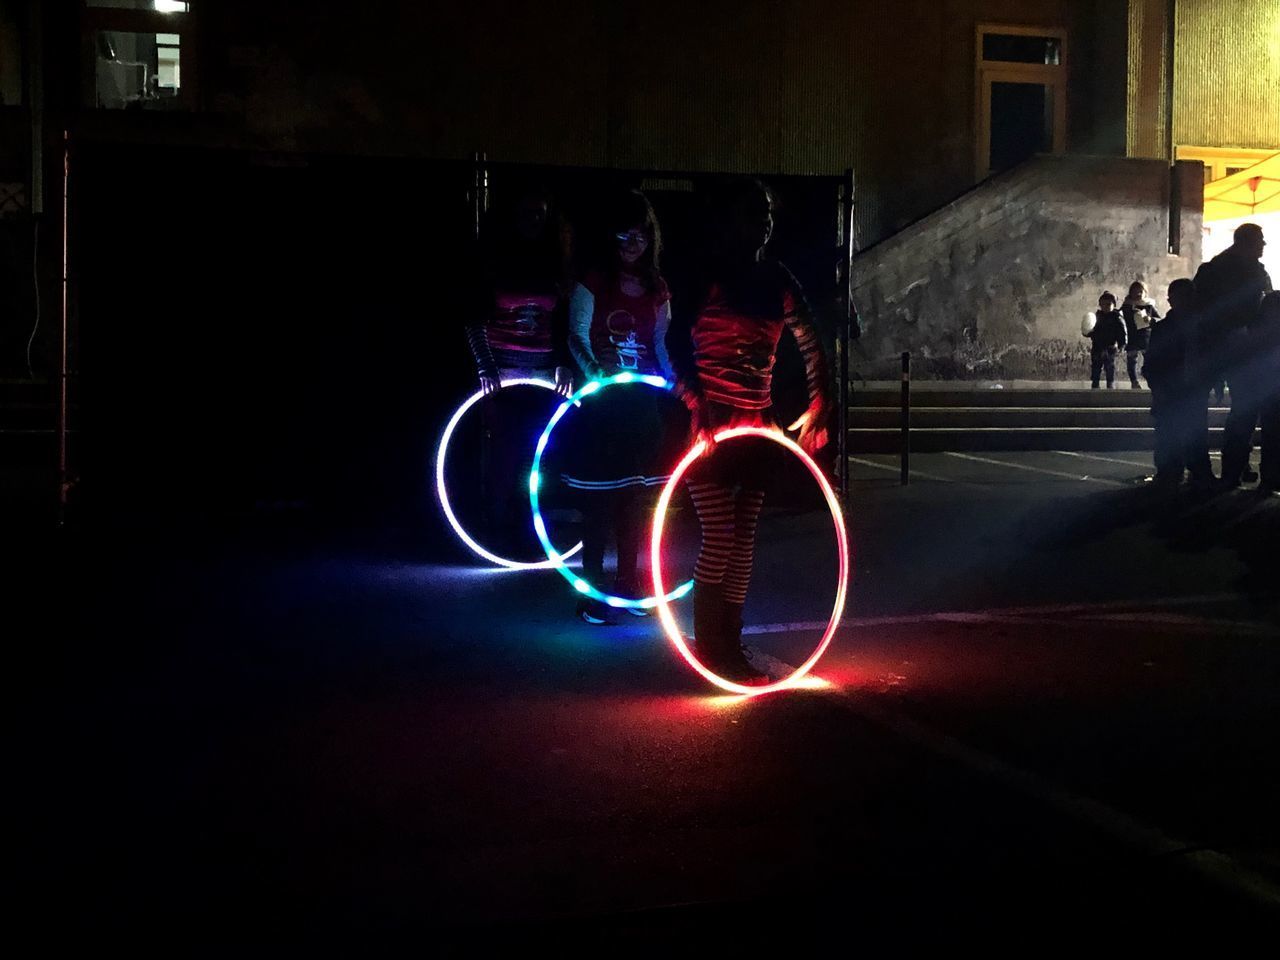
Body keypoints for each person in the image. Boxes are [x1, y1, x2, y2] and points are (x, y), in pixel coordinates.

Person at [669, 179, 832, 685]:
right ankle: (709, 647)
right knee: (720, 535)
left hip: (757, 427)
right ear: (730, 218)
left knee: (744, 539)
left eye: (768, 213)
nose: (763, 221)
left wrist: (821, 400)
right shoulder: (705, 275)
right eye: (753, 211)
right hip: (712, 427)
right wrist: (696, 404)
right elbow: (671, 345)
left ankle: (729, 643)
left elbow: (811, 339)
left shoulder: (777, 279)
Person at [561, 190, 679, 623]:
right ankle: (592, 593)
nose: (632, 243)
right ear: (611, 237)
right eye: (624, 234)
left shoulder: (657, 288)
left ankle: (628, 586)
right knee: (599, 504)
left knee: (634, 501)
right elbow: (577, 335)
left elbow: (660, 344)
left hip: (641, 407)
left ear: (651, 239)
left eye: (641, 235)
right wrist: (596, 375)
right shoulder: (593, 282)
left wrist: (671, 382)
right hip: (602, 406)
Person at [464, 186, 574, 548]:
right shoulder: (494, 262)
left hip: (543, 373)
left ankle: (530, 527)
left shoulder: (555, 263)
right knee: (504, 451)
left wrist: (563, 365)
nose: (533, 221)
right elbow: (474, 318)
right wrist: (486, 368)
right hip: (502, 372)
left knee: (537, 451)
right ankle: (494, 527)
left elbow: (565, 323)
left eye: (540, 214)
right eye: (527, 213)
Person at [1194, 222, 1273, 487]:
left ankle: (1235, 468)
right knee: (1244, 411)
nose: (1263, 245)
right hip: (1234, 349)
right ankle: (1230, 471)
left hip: (1246, 349)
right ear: (1245, 243)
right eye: (1259, 241)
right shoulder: (1221, 271)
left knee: (1244, 411)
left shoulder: (1248, 270)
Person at [1142, 278, 1214, 489]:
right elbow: (1153, 361)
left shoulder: (1202, 327)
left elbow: (1211, 356)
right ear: (1172, 301)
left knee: (1195, 431)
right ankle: (1171, 471)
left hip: (1192, 386)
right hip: (1171, 387)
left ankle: (1197, 470)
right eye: (1181, 297)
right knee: (1169, 431)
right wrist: (1158, 385)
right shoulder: (1165, 328)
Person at [1228, 291, 1280, 495]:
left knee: (1244, 432)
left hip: (1254, 387)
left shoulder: (1250, 328)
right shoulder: (1253, 330)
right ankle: (1267, 477)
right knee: (1268, 434)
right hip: (1263, 387)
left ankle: (1235, 474)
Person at [1121, 281, 1160, 389]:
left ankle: (1150, 378)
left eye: (1141, 291)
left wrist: (1150, 319)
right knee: (1132, 360)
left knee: (1149, 360)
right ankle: (1134, 381)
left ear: (1145, 293)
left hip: (1145, 337)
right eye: (1135, 291)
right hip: (1132, 337)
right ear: (1130, 293)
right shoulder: (1127, 306)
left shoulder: (1149, 306)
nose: (1138, 294)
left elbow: (1158, 320)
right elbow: (1120, 320)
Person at [1084, 292, 1127, 388]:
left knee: (1109, 366)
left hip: (1110, 346)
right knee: (1096, 365)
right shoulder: (1096, 317)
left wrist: (1122, 344)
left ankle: (1110, 382)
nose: (1105, 307)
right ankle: (1095, 382)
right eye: (1103, 304)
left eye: (1108, 304)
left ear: (1114, 305)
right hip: (1097, 346)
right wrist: (1087, 332)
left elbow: (1122, 332)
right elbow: (1091, 328)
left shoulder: (1117, 318)